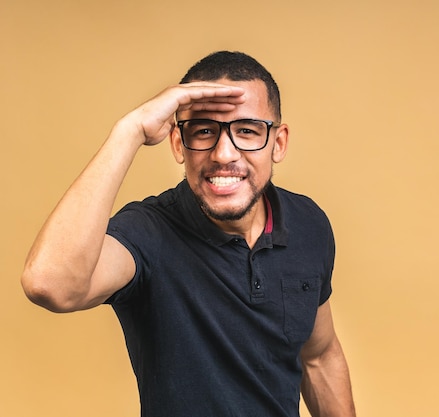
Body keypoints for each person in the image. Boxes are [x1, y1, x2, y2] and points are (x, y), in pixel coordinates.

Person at [21, 51, 356, 417]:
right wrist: (129, 130)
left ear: (278, 143)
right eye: (204, 131)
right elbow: (50, 284)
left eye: (246, 130)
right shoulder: (147, 232)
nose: (224, 153)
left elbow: (319, 357)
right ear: (179, 145)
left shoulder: (309, 223)